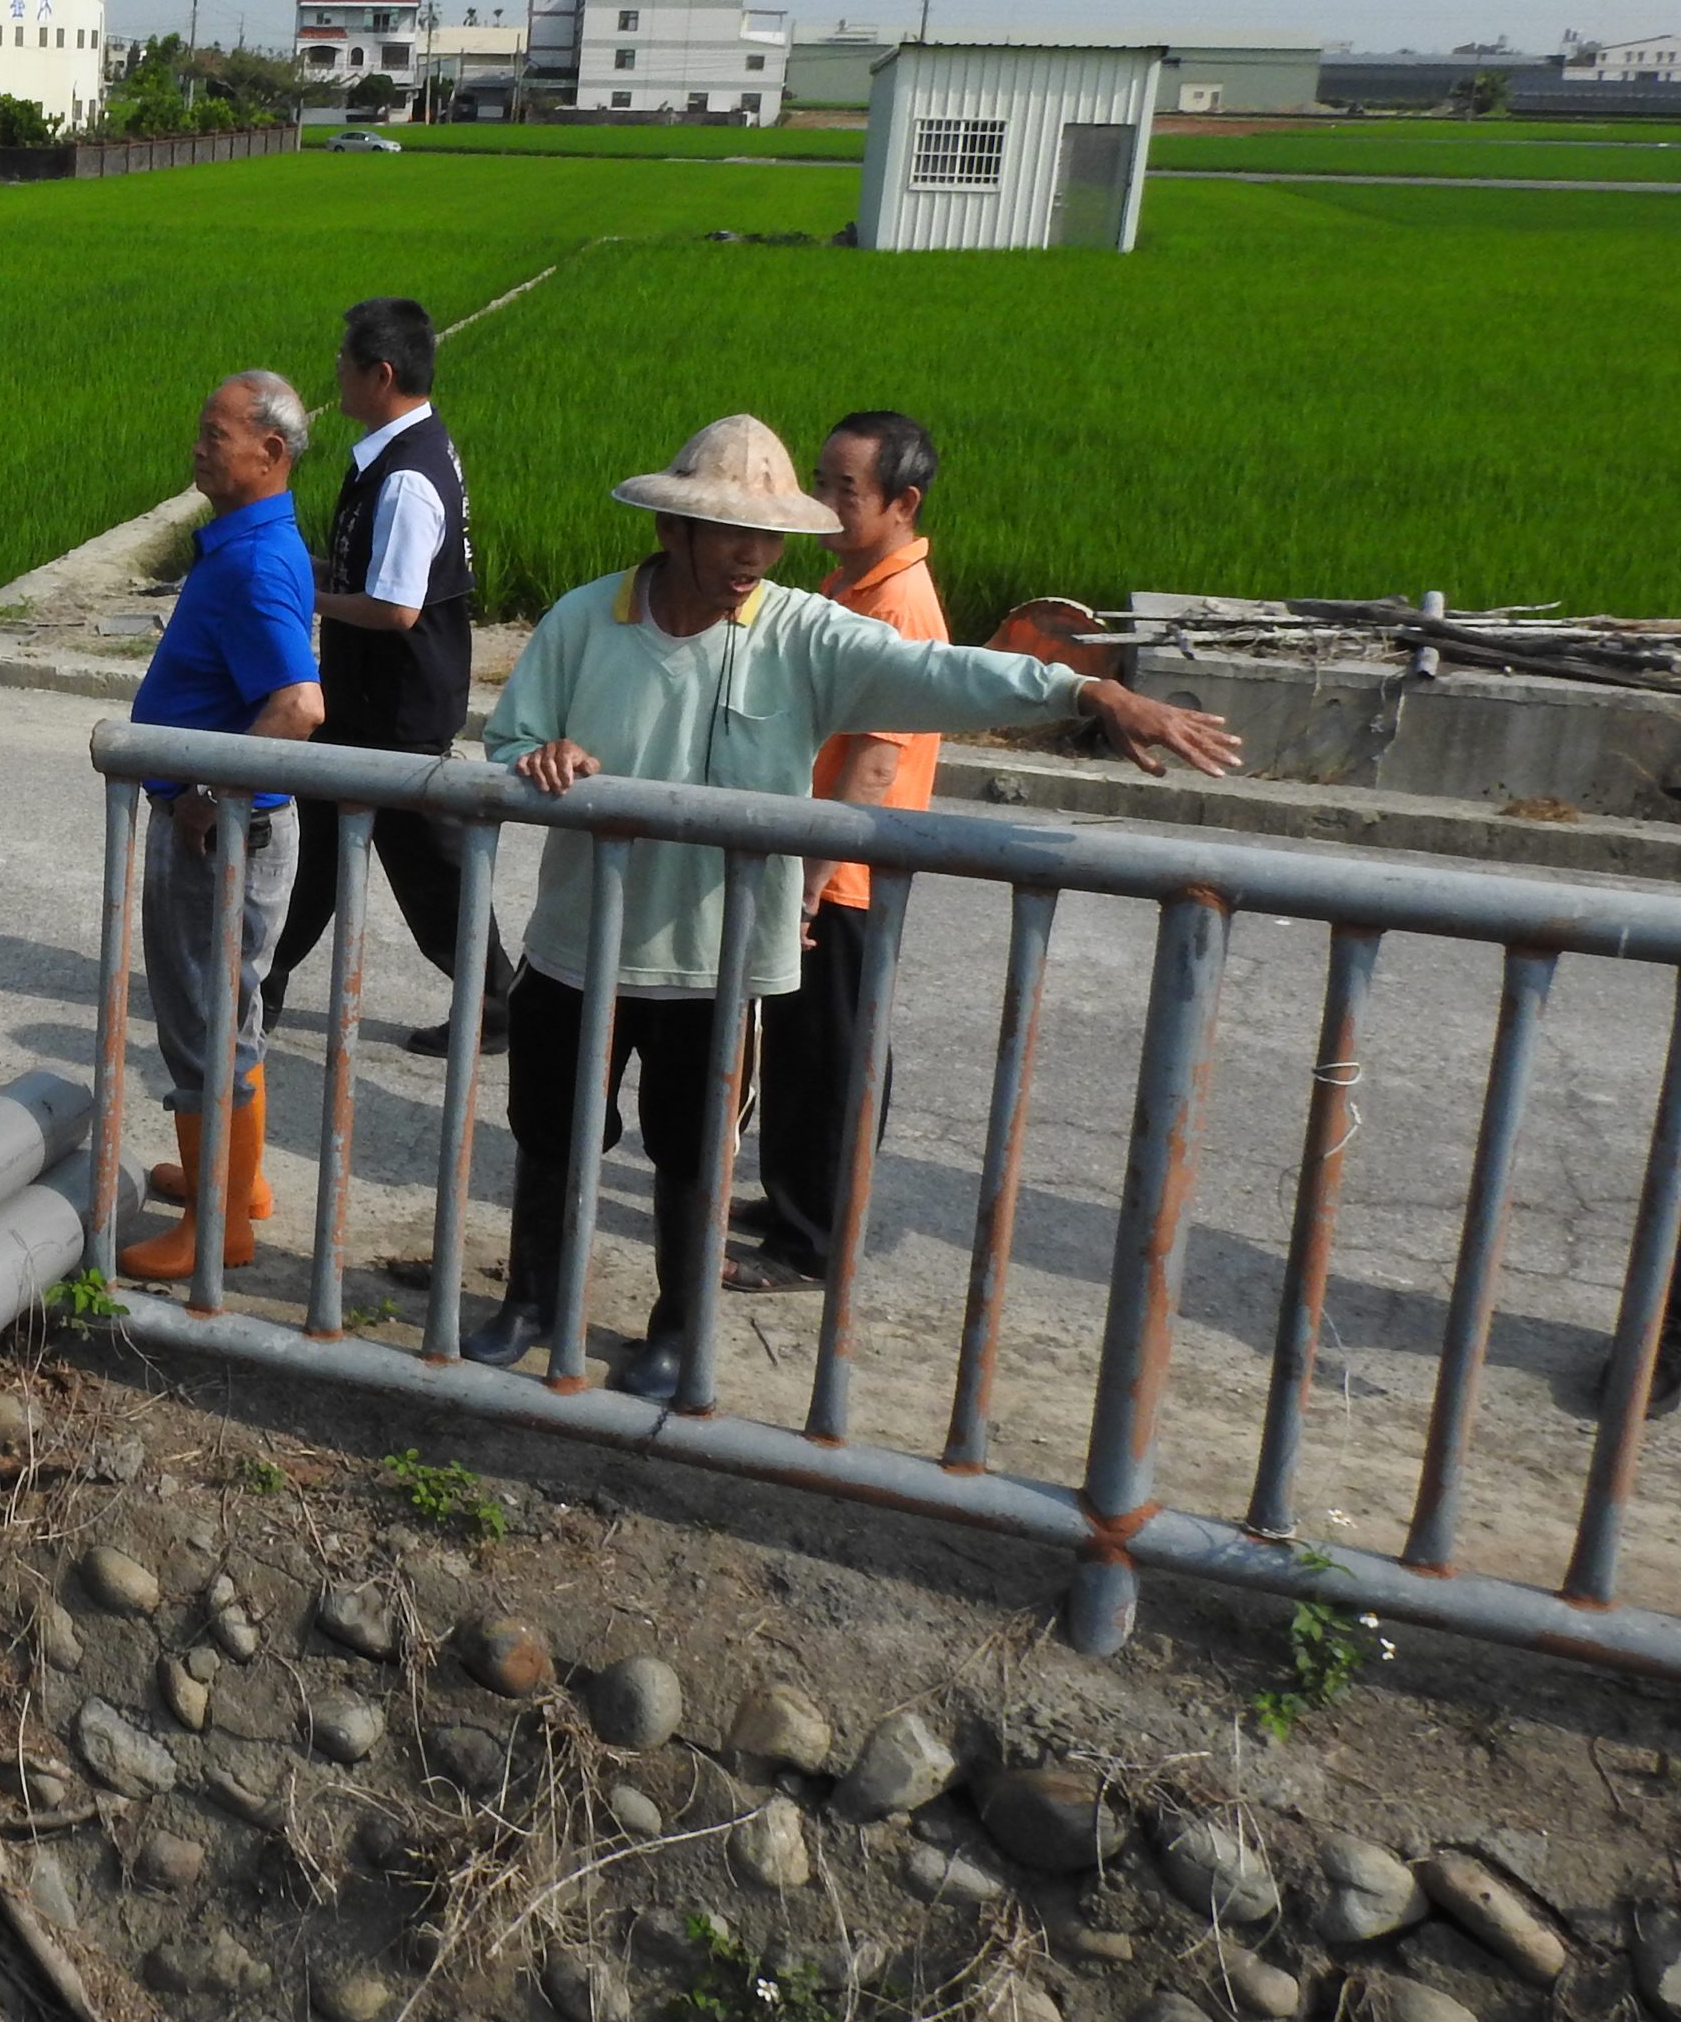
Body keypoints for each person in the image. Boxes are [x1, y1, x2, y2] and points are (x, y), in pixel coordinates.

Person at [476, 414, 1241, 1399]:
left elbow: (941, 673)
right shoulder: (586, 620)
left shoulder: (802, 632)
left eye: (767, 536)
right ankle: (530, 1300)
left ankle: (676, 1328)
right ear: (673, 531)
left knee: (694, 1155)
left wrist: (1084, 695)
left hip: (720, 959)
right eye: (729, 534)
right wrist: (544, 757)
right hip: (581, 943)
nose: (751, 556)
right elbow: (507, 744)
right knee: (551, 1133)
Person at [113, 372, 327, 1283]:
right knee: (226, 1016)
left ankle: (216, 1228)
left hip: (220, 834)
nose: (198, 446)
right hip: (231, 829)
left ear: (271, 454)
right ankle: (238, 1189)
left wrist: (204, 789)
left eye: (216, 434)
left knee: (203, 1025)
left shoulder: (252, 562)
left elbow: (297, 705)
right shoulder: (252, 541)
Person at [260, 298, 515, 1058]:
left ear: (382, 374)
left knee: (425, 869)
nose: (334, 374)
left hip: (393, 709)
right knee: (325, 852)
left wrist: (309, 596)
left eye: (344, 363)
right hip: (375, 700)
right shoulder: (402, 452)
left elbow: (395, 608)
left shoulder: (406, 478)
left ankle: (503, 1003)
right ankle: (260, 985)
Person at [742, 411, 949, 1286]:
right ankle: (797, 1194)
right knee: (803, 1043)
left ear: (902, 503)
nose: (823, 505)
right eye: (819, 484)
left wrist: (812, 883)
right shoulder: (849, 584)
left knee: (834, 1053)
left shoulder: (897, 603)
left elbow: (873, 760)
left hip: (849, 869)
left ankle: (811, 1242)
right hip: (826, 859)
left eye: (844, 491)